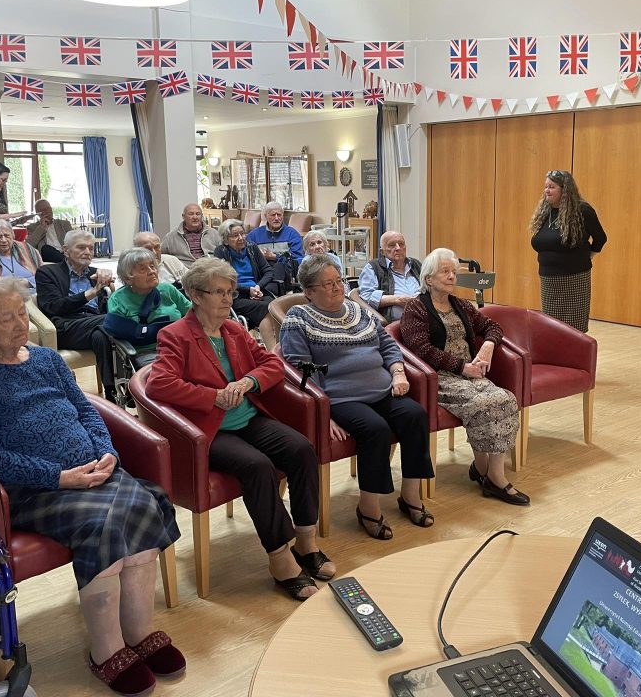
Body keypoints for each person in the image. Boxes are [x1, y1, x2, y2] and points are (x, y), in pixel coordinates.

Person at [0, 276, 183, 695]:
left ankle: (138, 632)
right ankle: (106, 651)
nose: (21, 325)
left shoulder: (46, 359)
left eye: (22, 313)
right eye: (6, 319)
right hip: (37, 490)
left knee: (144, 505)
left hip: (93, 471)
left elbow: (86, 409)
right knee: (103, 526)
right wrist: (59, 477)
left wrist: (107, 451)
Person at [146, 258, 334, 600]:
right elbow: (159, 384)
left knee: (301, 449)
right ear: (195, 295)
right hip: (211, 429)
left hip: (248, 417)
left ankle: (306, 543)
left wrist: (248, 381)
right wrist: (213, 396)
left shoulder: (233, 330)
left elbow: (272, 363)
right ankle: (280, 558)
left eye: (230, 292)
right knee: (258, 467)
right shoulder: (175, 336)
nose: (227, 299)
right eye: (219, 292)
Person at [280, 254, 435, 541]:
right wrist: (322, 414)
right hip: (341, 398)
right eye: (328, 284)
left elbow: (388, 344)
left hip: (382, 389)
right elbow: (300, 369)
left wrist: (398, 373)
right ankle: (368, 508)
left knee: (415, 415)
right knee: (375, 429)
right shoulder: (297, 319)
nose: (337, 287)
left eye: (338, 280)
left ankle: (410, 495)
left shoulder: (357, 310)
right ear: (309, 292)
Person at [400, 248, 529, 506]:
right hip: (440, 378)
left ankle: (492, 474)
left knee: (506, 398)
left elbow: (492, 326)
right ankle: (486, 472)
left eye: (454, 272)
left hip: (470, 373)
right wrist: (462, 367)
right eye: (445, 272)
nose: (452, 276)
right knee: (484, 403)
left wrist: (488, 345)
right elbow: (420, 349)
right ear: (428, 279)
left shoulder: (461, 305)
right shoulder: (416, 307)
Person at [34, 229, 116, 402]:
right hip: (67, 327)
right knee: (115, 321)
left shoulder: (97, 273)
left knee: (101, 336)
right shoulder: (47, 272)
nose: (87, 252)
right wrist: (91, 293)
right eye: (81, 247)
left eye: (90, 248)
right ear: (66, 250)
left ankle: (112, 394)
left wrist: (109, 283)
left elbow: (110, 302)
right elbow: (52, 307)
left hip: (95, 324)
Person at [529, 170, 607, 333]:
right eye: (546, 187)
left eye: (552, 187)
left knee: (573, 329)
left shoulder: (582, 210)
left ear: (564, 190)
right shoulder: (545, 211)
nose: (547, 190)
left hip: (574, 279)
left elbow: (600, 238)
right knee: (551, 327)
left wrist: (588, 256)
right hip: (549, 280)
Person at [103, 247, 190, 359]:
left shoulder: (168, 289)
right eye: (143, 269)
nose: (151, 271)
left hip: (181, 347)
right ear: (128, 278)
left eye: (152, 266)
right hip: (147, 353)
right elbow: (121, 331)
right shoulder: (118, 300)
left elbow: (195, 314)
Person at [212, 219, 278, 348]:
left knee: (276, 306)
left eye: (242, 234)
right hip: (236, 295)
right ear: (226, 239)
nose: (241, 238)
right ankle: (272, 348)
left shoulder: (251, 248)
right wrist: (248, 290)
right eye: (235, 235)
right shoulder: (221, 251)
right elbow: (222, 279)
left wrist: (258, 286)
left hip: (257, 291)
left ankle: (273, 348)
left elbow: (268, 271)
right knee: (267, 308)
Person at [358, 231, 421, 323]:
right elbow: (366, 297)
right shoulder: (373, 267)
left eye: (401, 244)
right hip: (393, 323)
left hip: (424, 319)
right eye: (392, 245)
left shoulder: (415, 264)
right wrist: (397, 300)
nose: (398, 248)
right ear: (382, 252)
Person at [247, 201, 304, 291]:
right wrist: (259, 256)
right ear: (266, 216)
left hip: (285, 275)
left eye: (279, 215)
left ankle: (269, 292)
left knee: (278, 266)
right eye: (273, 215)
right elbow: (246, 256)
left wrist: (275, 257)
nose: (277, 218)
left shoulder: (292, 234)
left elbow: (296, 262)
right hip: (262, 273)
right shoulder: (254, 235)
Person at [0, 219, 42, 290]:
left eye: (7, 235)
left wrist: (29, 282)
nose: (4, 240)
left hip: (37, 292)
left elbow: (43, 274)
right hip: (6, 294)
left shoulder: (26, 248)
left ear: (13, 235)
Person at [26, 199, 74, 264]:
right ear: (38, 213)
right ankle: (69, 264)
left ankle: (67, 263)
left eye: (48, 208)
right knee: (46, 249)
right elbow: (28, 245)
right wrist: (41, 227)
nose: (46, 211)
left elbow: (74, 241)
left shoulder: (64, 224)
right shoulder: (32, 227)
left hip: (64, 253)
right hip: (47, 254)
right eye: (42, 210)